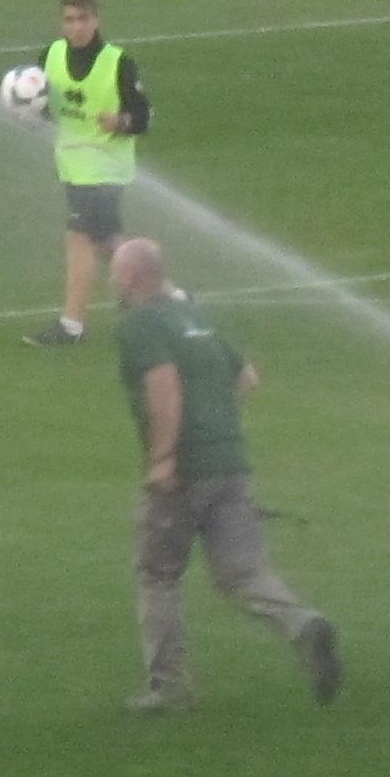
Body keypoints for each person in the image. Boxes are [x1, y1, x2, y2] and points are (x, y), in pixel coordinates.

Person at [110, 236, 339, 713]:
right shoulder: (195, 318)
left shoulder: (140, 326)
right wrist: (215, 425)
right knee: (243, 573)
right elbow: (247, 378)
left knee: (158, 575)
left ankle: (169, 688)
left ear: (131, 277)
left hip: (183, 475)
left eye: (115, 271)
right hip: (230, 465)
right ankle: (303, 624)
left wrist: (164, 458)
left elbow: (164, 386)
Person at [27, 0, 146, 347]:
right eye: (69, 20)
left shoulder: (119, 62)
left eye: (83, 19)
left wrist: (121, 121)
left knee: (78, 236)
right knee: (109, 239)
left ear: (96, 20)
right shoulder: (49, 56)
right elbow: (43, 109)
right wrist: (29, 114)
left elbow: (143, 117)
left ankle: (71, 325)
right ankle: (161, 301)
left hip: (108, 168)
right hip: (73, 166)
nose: (76, 27)